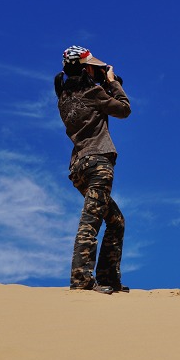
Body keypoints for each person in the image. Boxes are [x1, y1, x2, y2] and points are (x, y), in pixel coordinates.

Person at [55, 46, 131, 294]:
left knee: (116, 221)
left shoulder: (64, 97)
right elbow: (124, 109)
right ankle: (81, 280)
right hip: (97, 162)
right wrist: (112, 82)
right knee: (91, 220)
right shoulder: (92, 92)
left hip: (78, 167)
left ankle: (108, 279)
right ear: (87, 68)